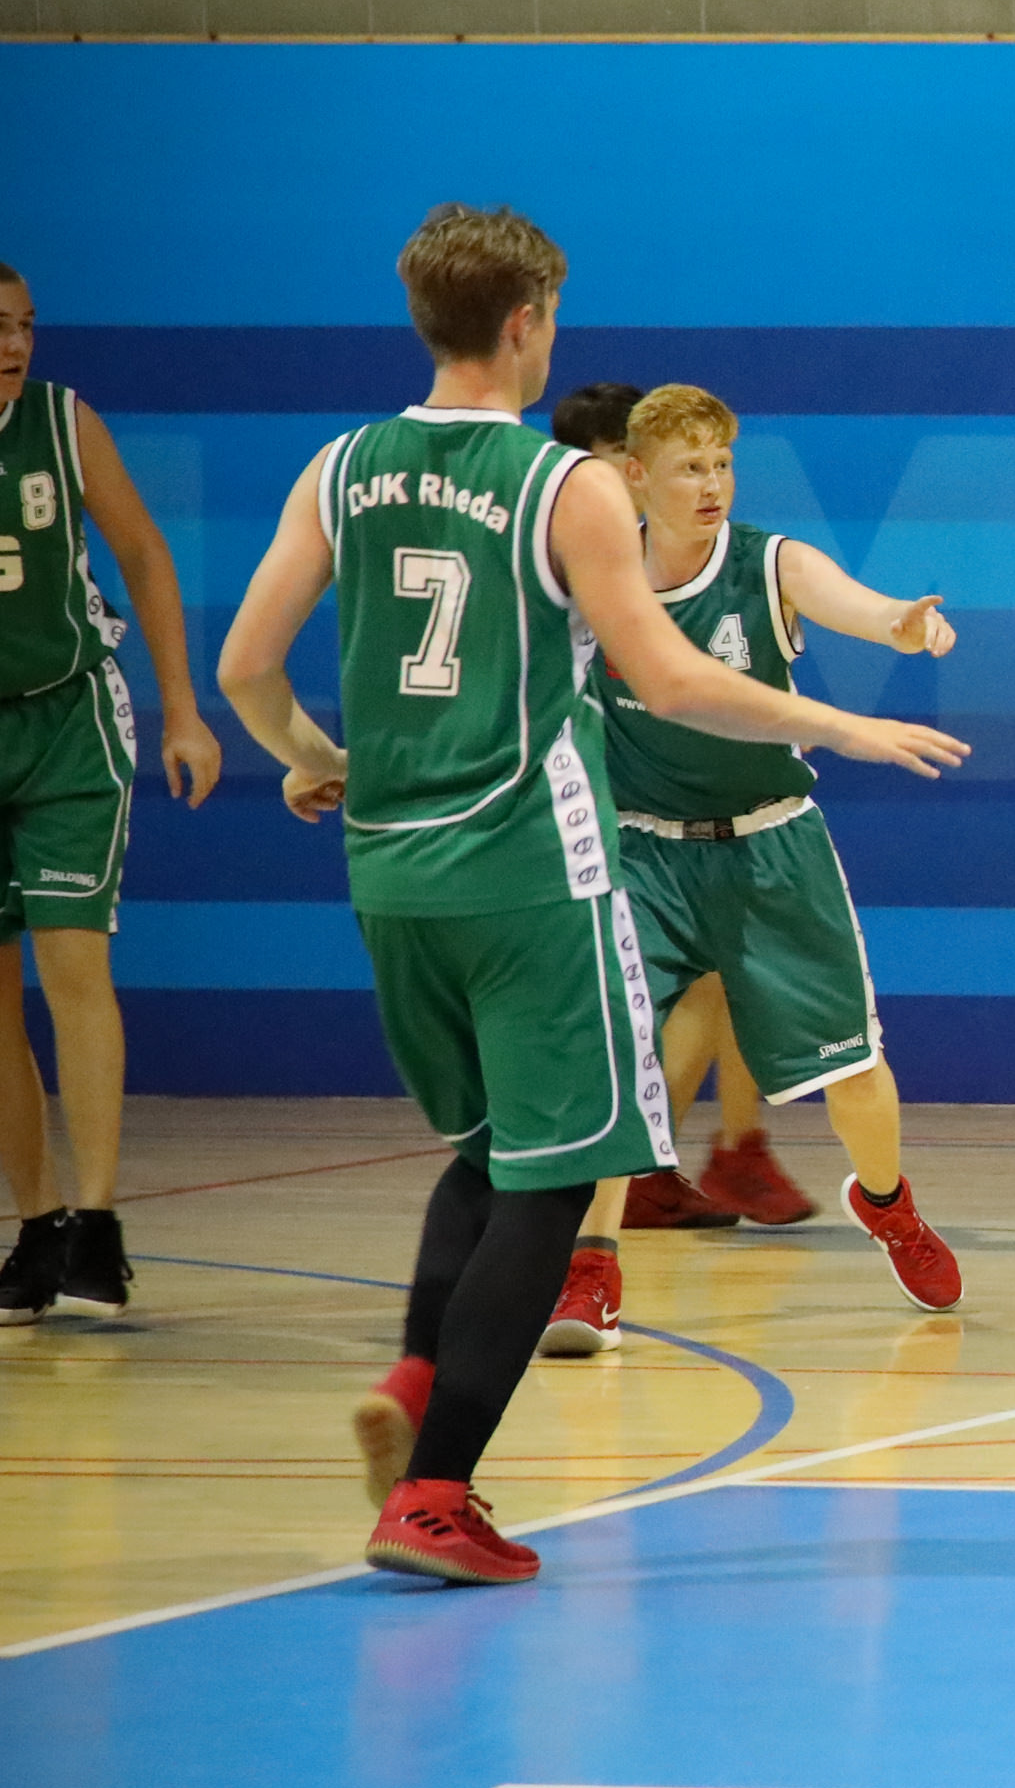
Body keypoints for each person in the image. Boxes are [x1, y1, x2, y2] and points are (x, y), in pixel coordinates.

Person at [215, 205, 966, 1585]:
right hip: (532, 876)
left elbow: (245, 668)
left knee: (487, 1153)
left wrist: (315, 760)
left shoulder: (340, 469)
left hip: (388, 872)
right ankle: (435, 1489)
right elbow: (669, 679)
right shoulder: (567, 488)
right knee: (558, 1176)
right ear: (526, 324)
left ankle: (416, 1381)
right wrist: (846, 727)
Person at [541, 380, 963, 1359]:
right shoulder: (593, 579)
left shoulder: (769, 563)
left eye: (722, 464)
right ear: (634, 476)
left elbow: (858, 604)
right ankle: (591, 1266)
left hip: (770, 844)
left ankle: (887, 1203)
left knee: (853, 1070)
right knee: (612, 1059)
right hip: (642, 849)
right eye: (689, 467)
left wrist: (901, 621)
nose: (712, 484)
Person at [0, 264, 226, 1326]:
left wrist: (182, 708)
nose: (15, 343)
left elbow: (142, 549)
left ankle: (96, 1220)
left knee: (73, 965)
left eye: (26, 325)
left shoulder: (63, 422)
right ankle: (36, 1223)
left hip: (67, 724)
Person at [545, 381, 806, 1247]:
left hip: (672, 814)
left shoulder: (690, 562)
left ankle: (733, 1144)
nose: (703, 481)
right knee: (663, 992)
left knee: (725, 969)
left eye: (716, 464)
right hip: (597, 813)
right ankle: (642, 1165)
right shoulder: (576, 574)